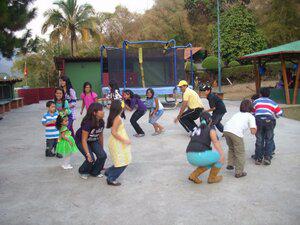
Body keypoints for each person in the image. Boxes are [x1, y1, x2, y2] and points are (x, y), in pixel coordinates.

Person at [186, 112, 224, 184]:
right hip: (199, 156)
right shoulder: (210, 129)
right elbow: (215, 142)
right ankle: (212, 178)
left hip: (189, 156)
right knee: (220, 158)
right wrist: (221, 154)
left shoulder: (196, 129)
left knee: (211, 160)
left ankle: (193, 175)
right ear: (210, 120)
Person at [223, 100, 257, 178]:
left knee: (231, 148)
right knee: (240, 153)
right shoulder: (250, 116)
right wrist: (256, 126)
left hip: (226, 130)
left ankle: (230, 164)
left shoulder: (237, 114)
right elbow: (253, 132)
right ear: (251, 107)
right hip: (236, 133)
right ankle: (239, 172)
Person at [75, 103, 107, 179]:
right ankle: (83, 171)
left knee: (103, 155)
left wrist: (101, 148)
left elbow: (100, 135)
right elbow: (84, 139)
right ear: (94, 112)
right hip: (81, 140)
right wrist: (88, 154)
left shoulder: (101, 122)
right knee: (90, 158)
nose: (103, 112)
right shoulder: (87, 123)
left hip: (93, 140)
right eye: (101, 110)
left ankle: (95, 171)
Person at [252, 87, 283, 165]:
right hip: (269, 121)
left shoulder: (256, 101)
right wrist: (275, 115)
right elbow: (279, 113)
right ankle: (267, 158)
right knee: (269, 139)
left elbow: (252, 112)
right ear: (269, 95)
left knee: (259, 139)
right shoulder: (273, 102)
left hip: (258, 121)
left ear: (260, 94)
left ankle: (258, 158)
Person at [106, 100, 132, 186]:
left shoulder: (116, 116)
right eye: (123, 105)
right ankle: (111, 178)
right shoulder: (117, 118)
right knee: (123, 162)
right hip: (118, 142)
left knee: (121, 160)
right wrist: (124, 140)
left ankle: (109, 171)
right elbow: (113, 132)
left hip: (118, 142)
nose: (124, 107)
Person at [54, 87, 71, 158]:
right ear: (55, 94)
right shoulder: (53, 102)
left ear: (63, 94)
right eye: (57, 93)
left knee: (61, 136)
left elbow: (69, 111)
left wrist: (62, 112)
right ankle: (56, 150)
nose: (59, 94)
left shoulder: (65, 102)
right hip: (55, 121)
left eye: (60, 93)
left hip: (63, 122)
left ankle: (59, 151)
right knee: (56, 136)